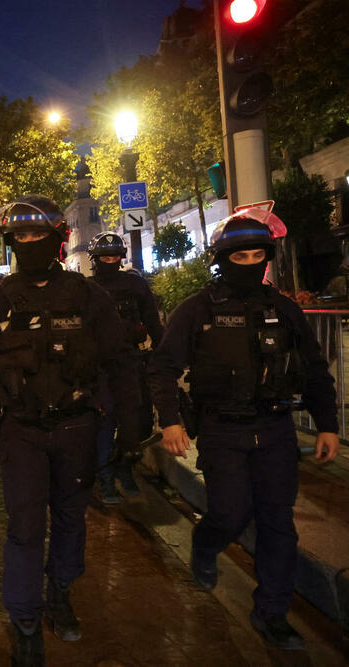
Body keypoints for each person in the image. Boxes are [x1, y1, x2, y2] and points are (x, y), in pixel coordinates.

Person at [0, 196, 140, 665]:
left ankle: (60, 591)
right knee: (23, 527)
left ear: (58, 238)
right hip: (20, 432)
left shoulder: (88, 296)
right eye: (21, 236)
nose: (30, 243)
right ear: (11, 241)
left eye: (39, 235)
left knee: (69, 520)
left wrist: (131, 426)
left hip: (78, 429)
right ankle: (24, 620)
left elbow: (120, 363)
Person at [148, 209, 339, 651]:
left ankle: (271, 613)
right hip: (221, 431)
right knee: (230, 514)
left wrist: (327, 425)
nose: (250, 263)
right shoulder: (197, 310)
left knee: (278, 524)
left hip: (274, 430)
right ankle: (206, 542)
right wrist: (171, 419)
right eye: (241, 256)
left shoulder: (284, 310)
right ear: (223, 258)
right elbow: (162, 368)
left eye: (258, 254)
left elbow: (314, 371)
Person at [86, 232, 164, 504]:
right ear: (95, 260)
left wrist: (163, 357)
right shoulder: (87, 289)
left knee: (135, 423)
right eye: (105, 257)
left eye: (115, 256)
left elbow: (153, 322)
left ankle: (125, 468)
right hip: (99, 368)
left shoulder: (136, 286)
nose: (110, 261)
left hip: (132, 364)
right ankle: (105, 476)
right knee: (105, 422)